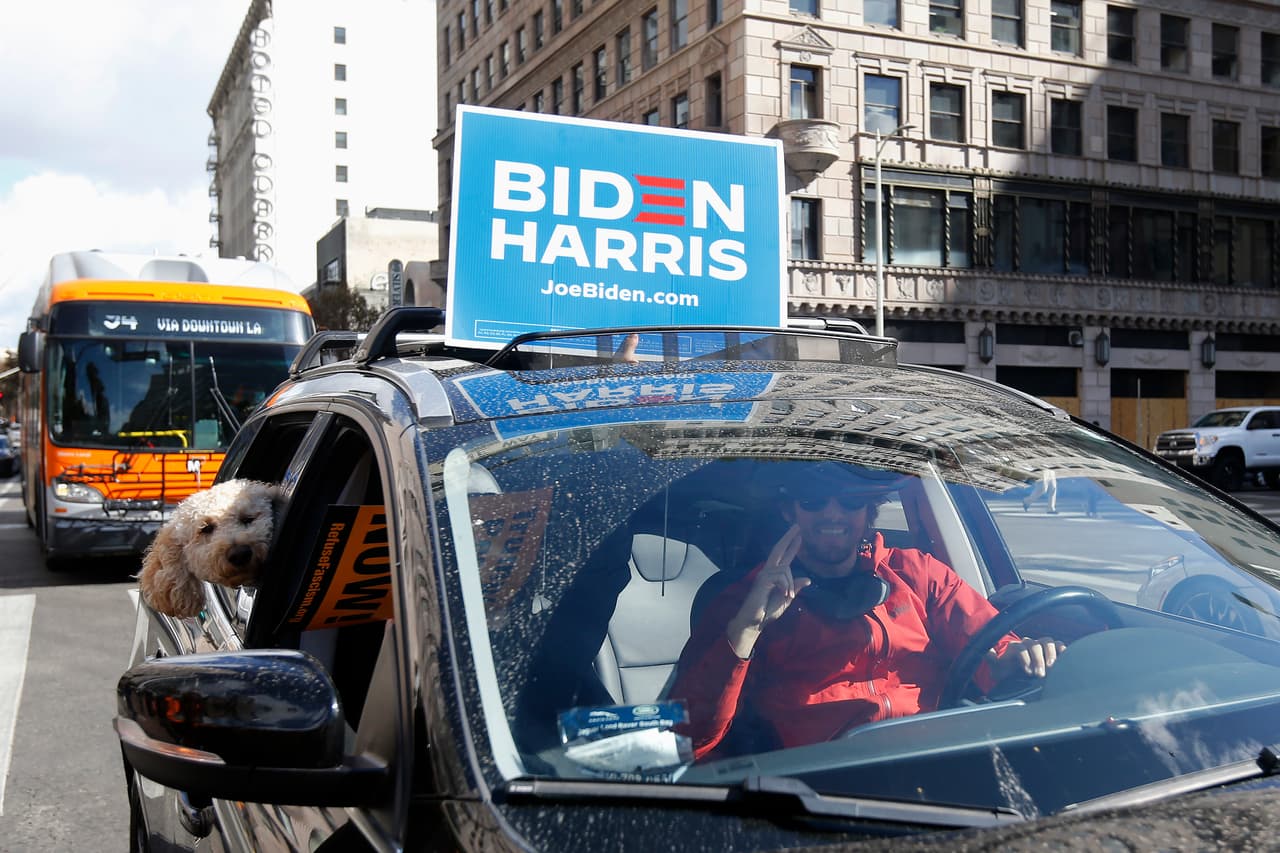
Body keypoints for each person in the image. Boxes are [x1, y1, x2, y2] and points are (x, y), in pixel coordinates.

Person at [669, 461, 1064, 760]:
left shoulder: (918, 574)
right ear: (790, 511)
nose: (833, 513)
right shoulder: (741, 599)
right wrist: (746, 629)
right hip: (816, 790)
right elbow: (688, 737)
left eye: (850, 501)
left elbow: (987, 641)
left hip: (933, 768)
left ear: (869, 510)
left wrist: (1013, 654)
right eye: (814, 501)